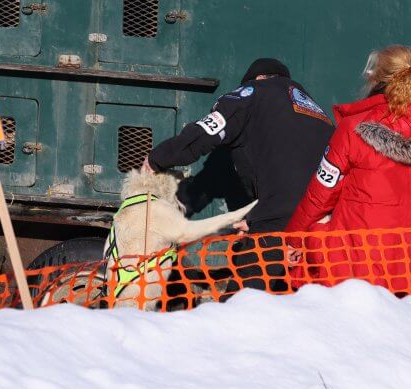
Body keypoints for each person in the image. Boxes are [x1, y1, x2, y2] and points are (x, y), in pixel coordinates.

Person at [143, 58, 334, 295]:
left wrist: (157, 159)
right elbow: (286, 166)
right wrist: (256, 217)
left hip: (277, 221)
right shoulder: (318, 112)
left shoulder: (252, 93)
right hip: (323, 223)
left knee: (240, 308)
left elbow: (207, 131)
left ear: (257, 79)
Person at [285, 45, 411, 294]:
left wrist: (293, 238)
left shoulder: (354, 127)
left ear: (374, 79)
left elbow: (321, 193)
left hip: (361, 265)